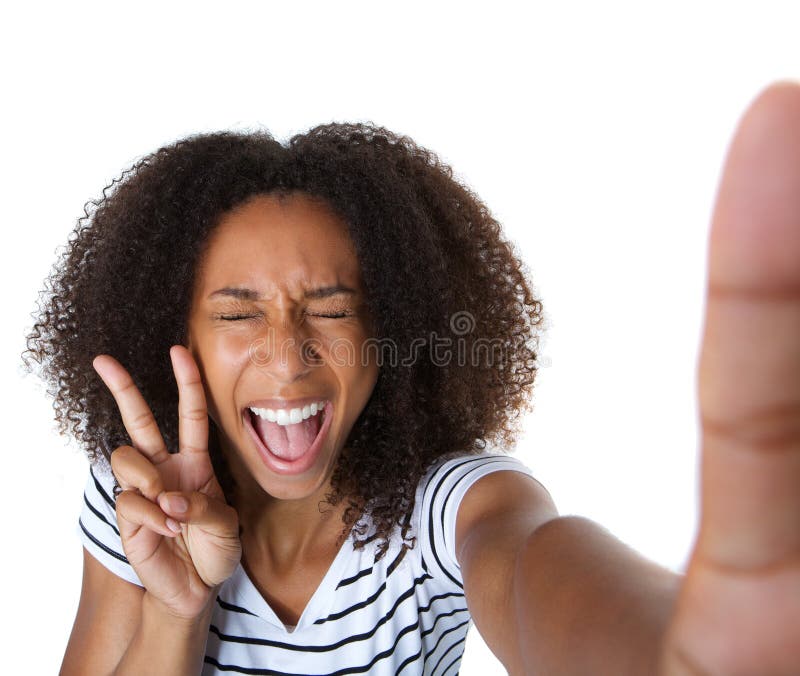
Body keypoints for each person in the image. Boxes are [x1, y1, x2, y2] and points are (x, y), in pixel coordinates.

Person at [22, 81, 800, 675]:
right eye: (237, 314)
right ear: (175, 332)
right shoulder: (140, 500)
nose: (288, 356)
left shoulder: (442, 509)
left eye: (330, 309)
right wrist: (175, 609)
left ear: (388, 328)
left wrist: (664, 648)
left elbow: (532, 563)